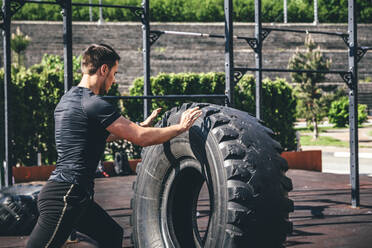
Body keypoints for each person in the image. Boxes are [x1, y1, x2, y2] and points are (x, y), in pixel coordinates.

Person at [26, 44, 202, 248]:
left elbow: (95, 136)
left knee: (111, 235)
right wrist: (180, 127)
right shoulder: (94, 103)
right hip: (66, 195)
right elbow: (142, 138)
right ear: (103, 70)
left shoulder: (68, 100)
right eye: (114, 73)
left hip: (75, 194)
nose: (114, 80)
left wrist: (139, 126)